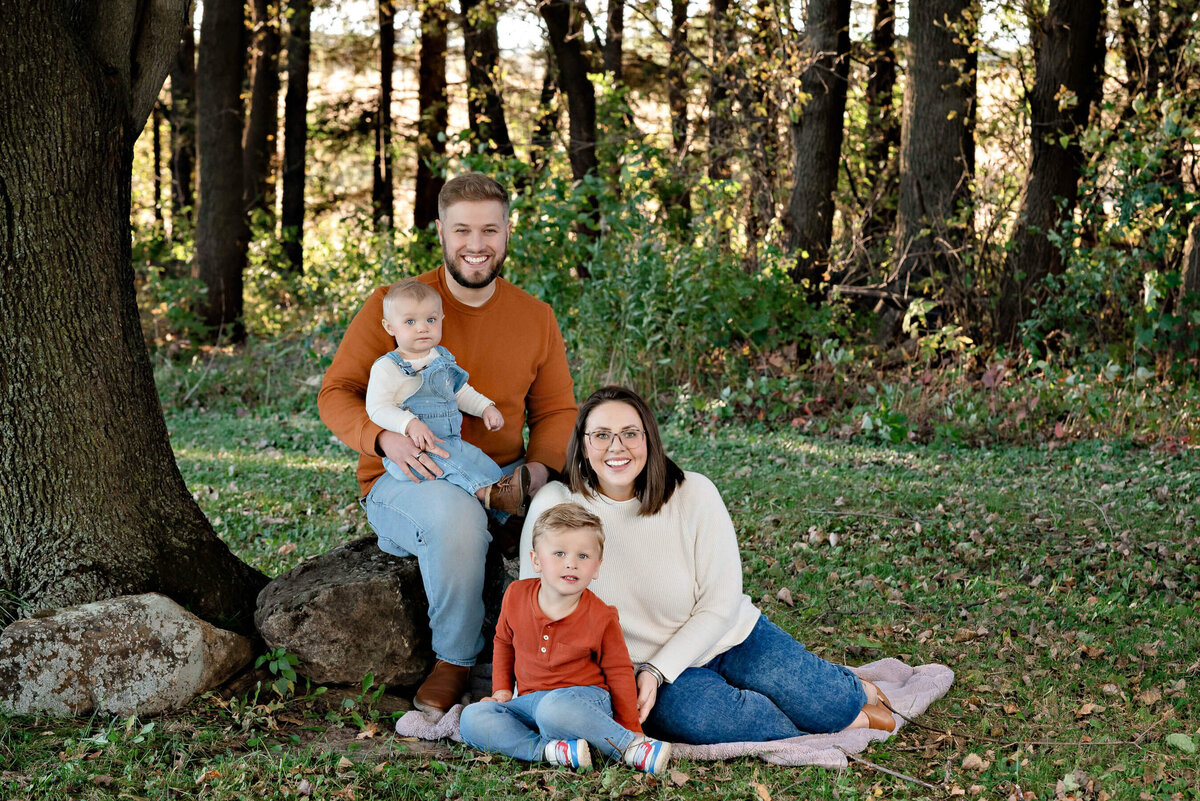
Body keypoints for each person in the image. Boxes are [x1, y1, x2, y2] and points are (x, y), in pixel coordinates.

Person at [318, 173, 577, 714]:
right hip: (404, 475)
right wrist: (382, 437)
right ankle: (455, 661)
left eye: (489, 230)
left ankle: (557, 660)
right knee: (455, 517)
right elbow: (336, 392)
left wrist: (536, 473)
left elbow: (555, 411)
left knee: (564, 512)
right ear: (440, 230)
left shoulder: (536, 317)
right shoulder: (395, 305)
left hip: (499, 474)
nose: (476, 245)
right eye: (462, 230)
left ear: (508, 232)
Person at [518, 386, 898, 744]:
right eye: (601, 435)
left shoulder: (693, 492)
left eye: (630, 433)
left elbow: (721, 603)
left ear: (648, 439)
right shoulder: (557, 504)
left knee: (828, 703)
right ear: (583, 445)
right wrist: (526, 697)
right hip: (650, 670)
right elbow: (533, 606)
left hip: (731, 639)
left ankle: (851, 693)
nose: (616, 447)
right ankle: (852, 722)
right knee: (715, 722)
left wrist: (658, 668)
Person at [459, 502, 671, 774]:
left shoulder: (601, 616)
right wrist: (501, 690)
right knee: (472, 718)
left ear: (596, 567)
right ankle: (550, 751)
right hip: (529, 703)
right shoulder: (515, 595)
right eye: (559, 553)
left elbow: (619, 672)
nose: (571, 562)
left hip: (581, 702)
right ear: (536, 560)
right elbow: (503, 641)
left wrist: (632, 728)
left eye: (583, 556)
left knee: (554, 710)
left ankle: (629, 748)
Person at [366, 278, 529, 515]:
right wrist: (409, 424)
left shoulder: (440, 358)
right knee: (456, 465)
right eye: (410, 321)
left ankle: (505, 502)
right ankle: (487, 495)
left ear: (441, 320)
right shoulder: (388, 367)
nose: (422, 328)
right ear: (390, 327)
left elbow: (460, 391)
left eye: (430, 320)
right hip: (415, 451)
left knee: (482, 462)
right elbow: (377, 408)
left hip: (451, 441)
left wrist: (485, 408)